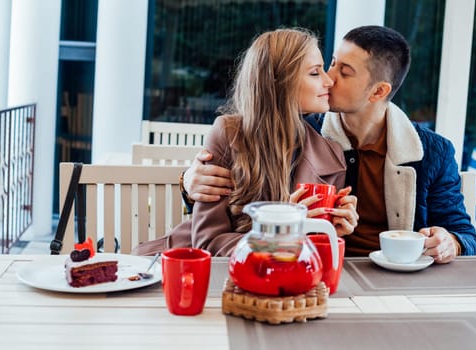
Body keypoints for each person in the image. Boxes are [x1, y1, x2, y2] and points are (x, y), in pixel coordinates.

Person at [181, 25, 476, 263]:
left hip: (390, 278)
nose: (329, 79)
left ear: (378, 91)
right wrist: (188, 183)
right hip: (318, 269)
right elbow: (228, 215)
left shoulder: (432, 152)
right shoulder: (304, 131)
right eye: (327, 66)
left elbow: (465, 235)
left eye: (343, 71)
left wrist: (450, 242)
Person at [132, 28, 359, 256]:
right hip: (193, 267)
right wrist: (278, 233)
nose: (329, 81)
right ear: (279, 82)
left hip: (280, 278)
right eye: (314, 73)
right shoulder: (228, 133)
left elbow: (313, 251)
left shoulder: (333, 154)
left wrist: (333, 232)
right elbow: (208, 242)